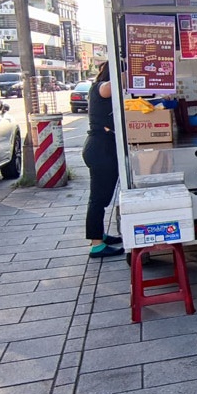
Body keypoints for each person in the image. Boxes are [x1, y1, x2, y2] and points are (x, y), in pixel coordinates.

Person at [82, 61, 125, 259]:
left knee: (100, 197)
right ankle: (97, 245)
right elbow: (113, 85)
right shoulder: (102, 87)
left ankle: (98, 235)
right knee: (98, 199)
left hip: (101, 148)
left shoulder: (101, 87)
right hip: (100, 148)